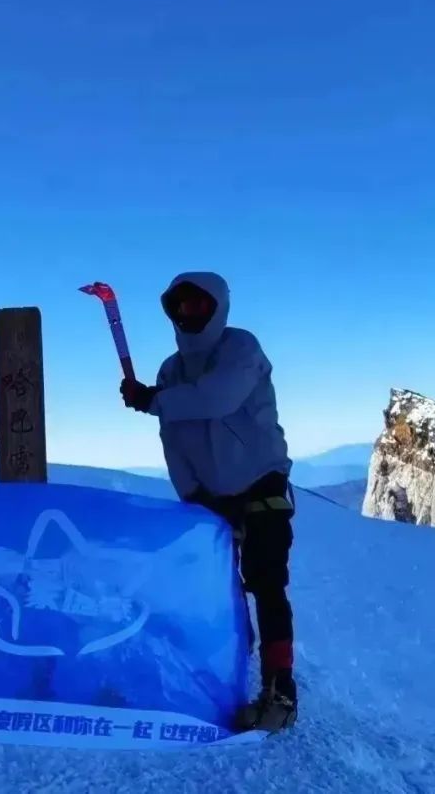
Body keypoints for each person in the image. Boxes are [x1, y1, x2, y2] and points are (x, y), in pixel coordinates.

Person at [118, 271, 297, 732]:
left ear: (219, 307)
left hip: (261, 482)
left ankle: (280, 690)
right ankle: (229, 667)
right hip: (211, 495)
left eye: (199, 304)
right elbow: (173, 440)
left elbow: (218, 398)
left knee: (266, 581)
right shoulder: (171, 371)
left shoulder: (241, 348)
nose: (189, 313)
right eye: (181, 306)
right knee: (219, 588)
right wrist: (192, 494)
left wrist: (152, 400)